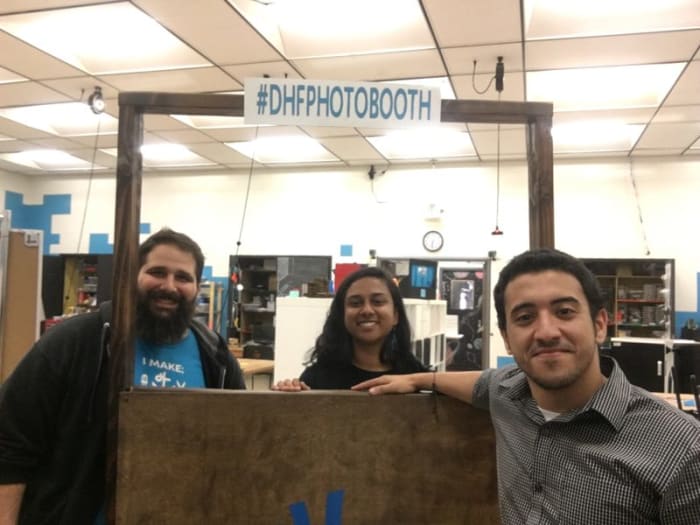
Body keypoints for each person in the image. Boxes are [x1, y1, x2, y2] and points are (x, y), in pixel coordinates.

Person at [353, 248, 700, 524]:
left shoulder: (682, 451)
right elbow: (479, 382)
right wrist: (418, 378)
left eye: (564, 312)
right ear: (506, 338)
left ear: (599, 325)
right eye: (525, 318)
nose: (546, 331)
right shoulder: (508, 392)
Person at [0, 228, 245, 525]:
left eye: (183, 277)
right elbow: (10, 445)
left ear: (197, 286)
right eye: (157, 272)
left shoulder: (216, 359)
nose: (169, 286)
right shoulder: (75, 342)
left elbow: (238, 449)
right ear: (132, 277)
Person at [273, 266, 427, 391]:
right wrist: (288, 396)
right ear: (342, 315)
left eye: (378, 302)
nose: (367, 310)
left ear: (395, 316)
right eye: (355, 303)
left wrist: (420, 381)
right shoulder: (318, 377)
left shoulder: (413, 373)